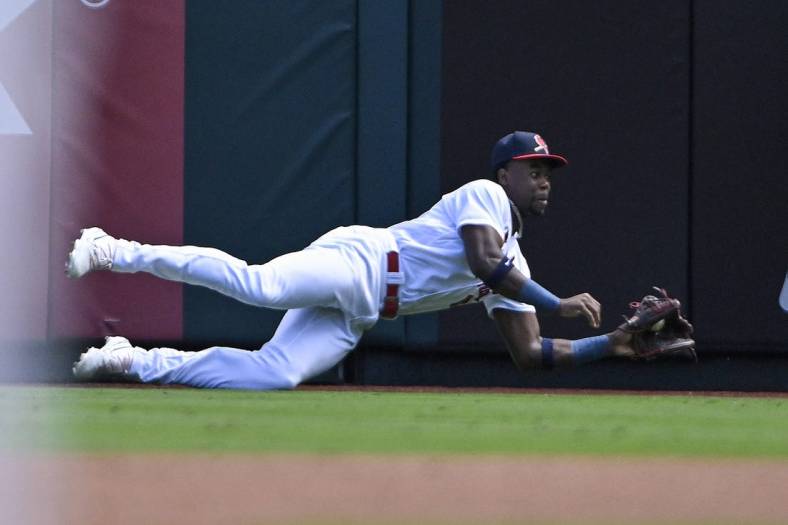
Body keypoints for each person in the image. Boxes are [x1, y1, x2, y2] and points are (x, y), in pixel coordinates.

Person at [68, 130, 642, 389]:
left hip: (361, 312)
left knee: (277, 374)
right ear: (504, 175)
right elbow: (487, 262)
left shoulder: (516, 265)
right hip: (364, 263)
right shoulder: (484, 197)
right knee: (260, 285)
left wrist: (609, 346)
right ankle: (116, 249)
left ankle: (131, 360)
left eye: (547, 173)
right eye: (532, 169)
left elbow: (531, 354)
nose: (542, 181)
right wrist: (556, 301)